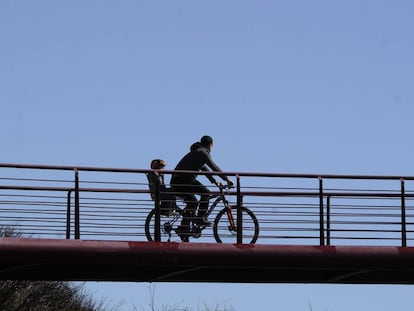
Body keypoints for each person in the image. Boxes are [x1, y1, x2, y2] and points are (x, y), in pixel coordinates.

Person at [170, 135, 233, 241]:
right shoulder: (203, 153)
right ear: (210, 145)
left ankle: (183, 229)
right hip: (183, 180)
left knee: (193, 202)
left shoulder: (197, 153)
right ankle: (200, 218)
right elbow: (214, 167)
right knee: (206, 193)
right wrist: (227, 179)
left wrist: (214, 181)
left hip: (178, 181)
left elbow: (204, 169)